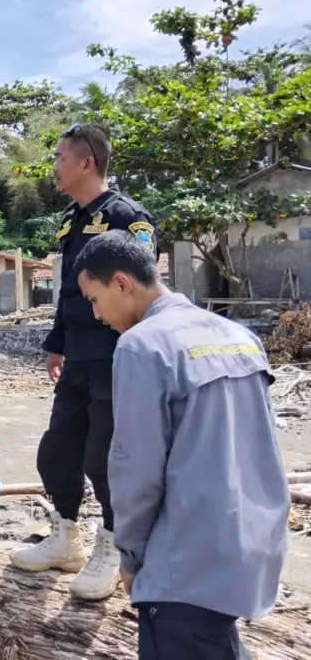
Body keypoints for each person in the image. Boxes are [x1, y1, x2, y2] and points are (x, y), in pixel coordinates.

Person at [74, 229, 289, 659]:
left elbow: (136, 471)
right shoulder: (238, 336)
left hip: (185, 560)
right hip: (252, 543)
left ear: (121, 283)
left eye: (94, 299)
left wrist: (130, 559)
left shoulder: (141, 347)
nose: (97, 315)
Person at [8, 123, 157, 600]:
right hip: (77, 359)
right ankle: (64, 536)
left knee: (105, 456)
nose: (53, 166)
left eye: (58, 157)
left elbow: (139, 291)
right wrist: (57, 342)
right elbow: (71, 294)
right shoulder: (72, 220)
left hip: (116, 358)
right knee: (59, 449)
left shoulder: (127, 217)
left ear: (86, 163)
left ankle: (113, 547)